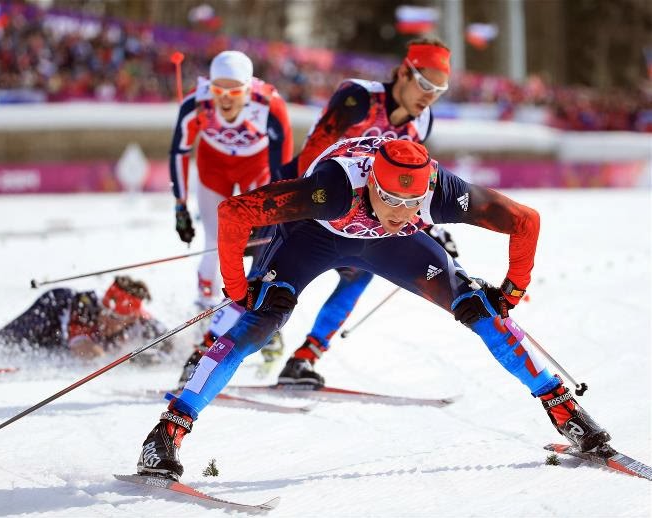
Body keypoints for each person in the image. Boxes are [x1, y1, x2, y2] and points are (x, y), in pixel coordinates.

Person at [135, 137, 611, 482]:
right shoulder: (334, 188)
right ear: (373, 189)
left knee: (480, 310)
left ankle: (563, 409)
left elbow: (526, 221)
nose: (403, 212)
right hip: (313, 238)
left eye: (413, 203)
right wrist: (239, 289)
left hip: (391, 249)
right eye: (391, 201)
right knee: (260, 324)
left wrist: (510, 291)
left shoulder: (441, 190)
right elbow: (234, 213)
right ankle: (168, 431)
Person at [186, 38, 458, 387]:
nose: (429, 95)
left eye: (440, 88)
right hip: (305, 193)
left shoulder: (422, 122)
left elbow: (409, 183)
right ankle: (202, 355)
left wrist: (427, 225)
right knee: (261, 281)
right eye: (424, 83)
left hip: (355, 213)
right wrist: (296, 212)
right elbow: (313, 154)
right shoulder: (359, 98)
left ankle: (304, 359)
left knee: (359, 273)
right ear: (404, 72)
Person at [170, 50, 293, 310]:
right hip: (213, 167)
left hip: (255, 168)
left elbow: (282, 168)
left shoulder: (269, 105)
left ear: (248, 90)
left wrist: (277, 210)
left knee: (259, 237)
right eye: (218, 90)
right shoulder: (195, 104)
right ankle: (205, 303)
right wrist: (180, 205)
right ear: (209, 87)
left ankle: (251, 300)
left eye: (235, 92)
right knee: (215, 239)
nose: (225, 99)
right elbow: (179, 151)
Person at [0, 275, 170, 361]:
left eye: (114, 317)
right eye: (105, 312)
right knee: (1, 343)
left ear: (130, 319)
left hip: (61, 339)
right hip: (52, 311)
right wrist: (128, 360)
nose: (105, 320)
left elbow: (172, 342)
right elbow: (83, 349)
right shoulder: (85, 304)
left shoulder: (143, 321)